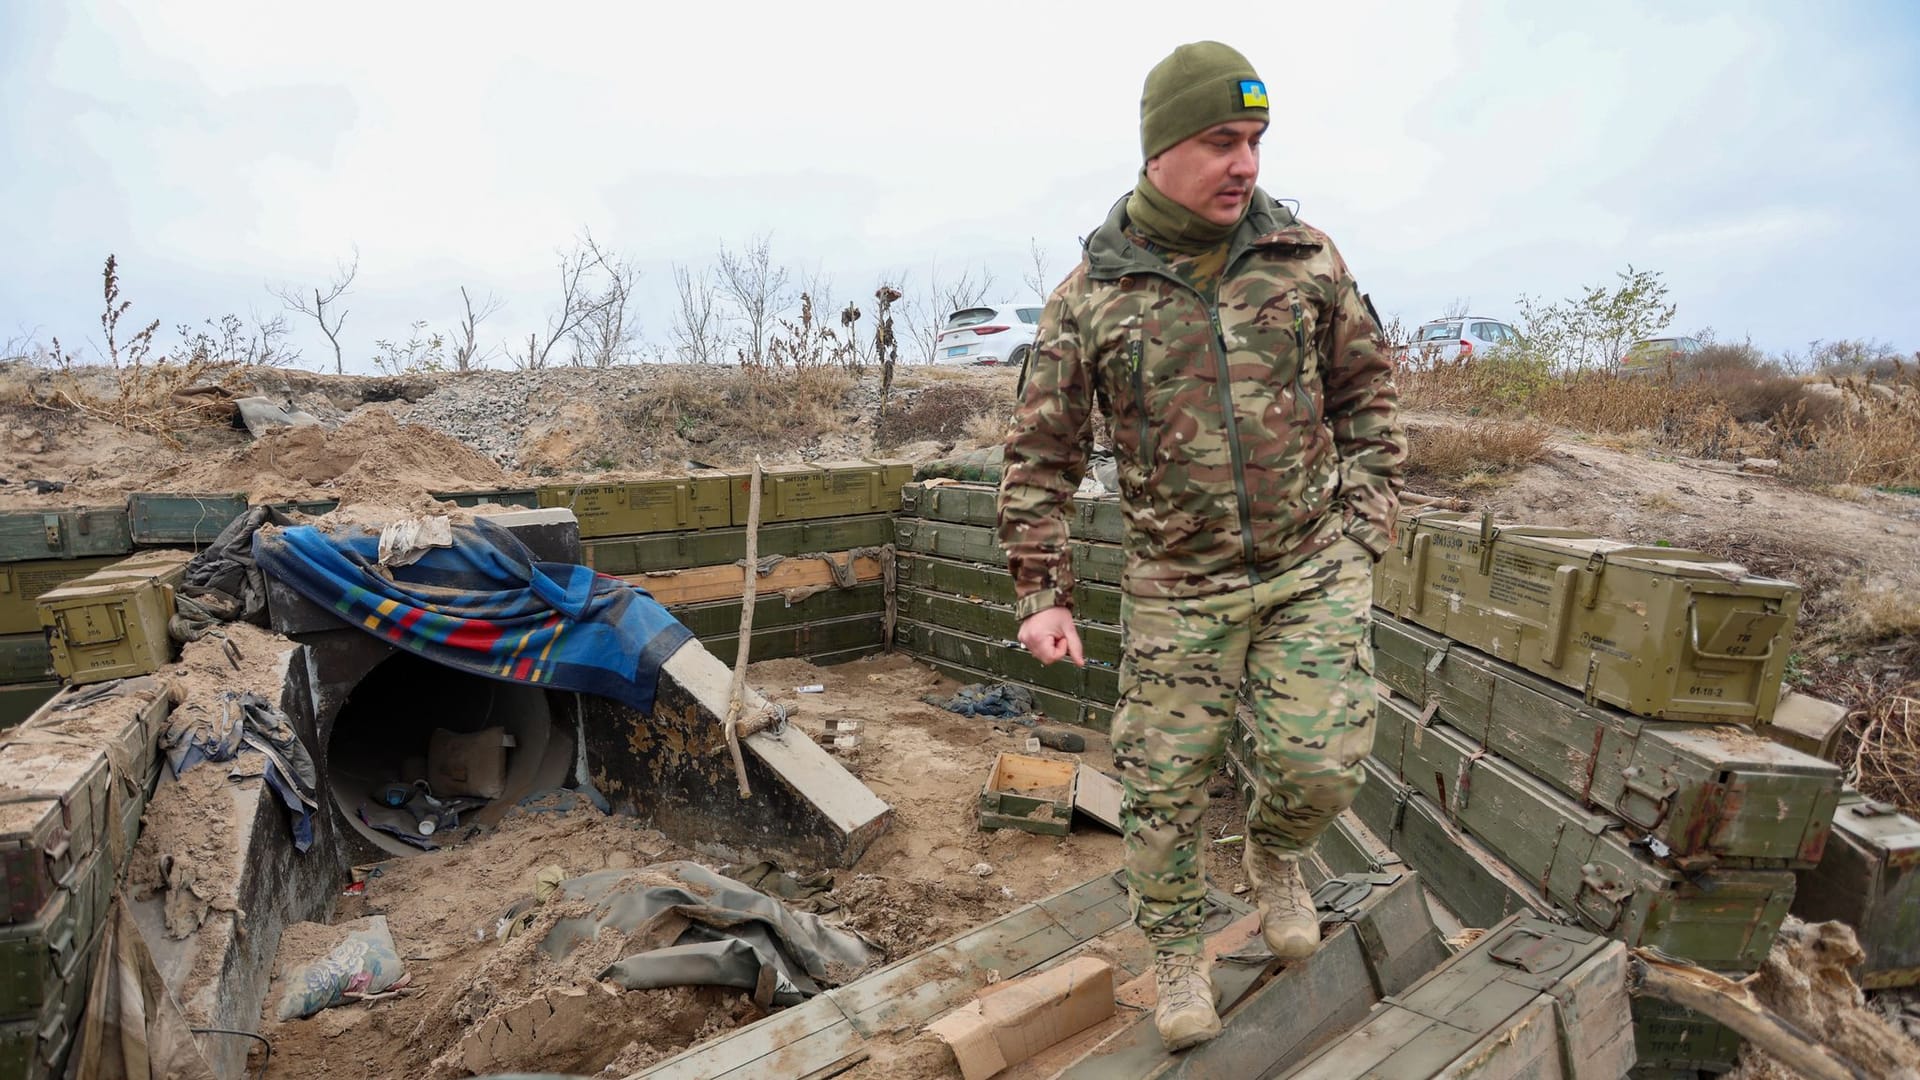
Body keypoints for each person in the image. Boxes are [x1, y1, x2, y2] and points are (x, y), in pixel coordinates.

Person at [994, 40, 1406, 1050]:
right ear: (1163, 149)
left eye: (1257, 142)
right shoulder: (1092, 294)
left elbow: (1368, 395)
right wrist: (1042, 592)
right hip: (1181, 585)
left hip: (1313, 569)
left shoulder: (1305, 258)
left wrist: (1363, 531)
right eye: (1223, 141)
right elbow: (1041, 453)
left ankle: (1274, 855)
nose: (1246, 165)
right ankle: (1178, 951)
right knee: (1163, 787)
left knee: (1321, 762)